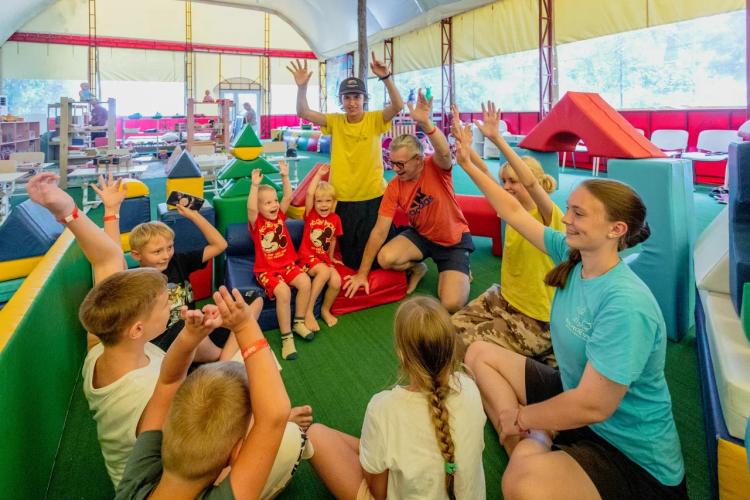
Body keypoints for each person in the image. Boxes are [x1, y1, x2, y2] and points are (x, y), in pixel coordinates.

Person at [454, 102, 687, 500]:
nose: (565, 219)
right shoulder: (571, 254)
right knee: (478, 354)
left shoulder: (626, 303)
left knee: (520, 486)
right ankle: (534, 442)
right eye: (569, 210)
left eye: (578, 213)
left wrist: (521, 416)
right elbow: (512, 210)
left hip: (627, 450)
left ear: (616, 229)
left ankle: (532, 441)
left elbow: (594, 406)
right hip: (572, 394)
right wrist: (468, 162)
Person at [26, 173, 312, 491]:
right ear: (138, 328)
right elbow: (207, 445)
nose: (172, 305)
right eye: (165, 304)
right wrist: (274, 423)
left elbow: (107, 259)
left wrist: (69, 211)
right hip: (163, 480)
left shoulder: (100, 347)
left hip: (145, 466)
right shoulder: (148, 394)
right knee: (287, 437)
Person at [114, 287, 294, 500]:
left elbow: (168, 381)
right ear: (236, 454)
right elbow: (273, 417)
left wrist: (190, 337)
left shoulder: (137, 478)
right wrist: (244, 326)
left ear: (166, 425)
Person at [306, 296, 486, 500]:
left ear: (402, 355)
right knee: (379, 445)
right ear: (451, 347)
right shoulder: (469, 387)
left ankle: (376, 453)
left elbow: (378, 493)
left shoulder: (383, 408)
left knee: (316, 434)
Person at [450, 104, 564, 364]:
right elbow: (485, 174)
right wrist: (463, 147)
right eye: (505, 182)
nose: (507, 187)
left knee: (463, 346)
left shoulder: (548, 215)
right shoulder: (511, 209)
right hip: (506, 298)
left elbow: (531, 183)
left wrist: (497, 139)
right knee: (451, 327)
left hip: (536, 319)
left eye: (513, 182)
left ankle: (547, 351)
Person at [342, 90, 473, 313]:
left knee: (451, 303)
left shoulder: (436, 167)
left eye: (400, 164)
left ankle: (460, 267)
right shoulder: (394, 186)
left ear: (418, 160)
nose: (394, 169)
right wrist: (362, 273)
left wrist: (426, 123)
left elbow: (443, 151)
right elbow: (379, 231)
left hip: (453, 241)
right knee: (386, 258)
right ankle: (419, 267)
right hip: (421, 236)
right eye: (392, 162)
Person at [97, 173, 234, 362]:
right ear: (136, 255)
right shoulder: (135, 279)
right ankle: (219, 358)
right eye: (157, 251)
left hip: (193, 328)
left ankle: (212, 357)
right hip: (163, 343)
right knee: (186, 327)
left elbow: (220, 245)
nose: (166, 255)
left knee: (239, 309)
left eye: (169, 247)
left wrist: (195, 216)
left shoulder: (177, 261)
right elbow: (113, 254)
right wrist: (111, 210)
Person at [288, 52, 404, 271]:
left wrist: (386, 77)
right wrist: (302, 87)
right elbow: (303, 112)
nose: (352, 103)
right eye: (347, 98)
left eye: (357, 97)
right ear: (341, 100)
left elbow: (398, 106)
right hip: (343, 197)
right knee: (352, 260)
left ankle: (406, 245)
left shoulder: (374, 119)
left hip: (373, 195)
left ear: (364, 99)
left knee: (381, 254)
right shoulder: (335, 121)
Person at [248, 162, 313, 360]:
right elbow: (251, 207)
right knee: (283, 291)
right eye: (267, 203)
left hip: (287, 266)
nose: (274, 205)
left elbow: (287, 197)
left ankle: (298, 322)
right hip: (266, 270)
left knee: (305, 282)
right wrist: (254, 186)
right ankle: (287, 337)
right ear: (259, 208)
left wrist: (285, 176)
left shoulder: (280, 217)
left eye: (274, 201)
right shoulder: (256, 223)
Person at [296, 163, 343, 329]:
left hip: (322, 260)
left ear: (333, 202)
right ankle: (308, 311)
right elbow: (309, 193)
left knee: (336, 281)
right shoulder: (311, 214)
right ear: (314, 203)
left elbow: (333, 240)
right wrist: (318, 175)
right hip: (306, 258)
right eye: (319, 201)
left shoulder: (335, 219)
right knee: (324, 272)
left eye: (328, 201)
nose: (324, 205)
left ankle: (324, 310)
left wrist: (331, 259)